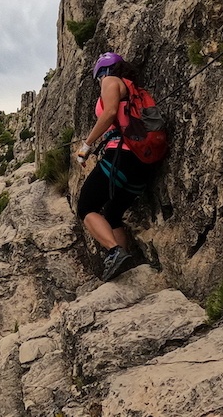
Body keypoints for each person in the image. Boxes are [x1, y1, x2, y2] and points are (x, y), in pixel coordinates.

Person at [75, 52, 154, 281]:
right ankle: (125, 265)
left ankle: (114, 251)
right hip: (143, 163)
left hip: (123, 156)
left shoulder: (111, 81)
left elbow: (109, 113)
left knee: (86, 206)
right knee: (112, 213)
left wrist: (86, 147)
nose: (100, 83)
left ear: (102, 72)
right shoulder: (133, 89)